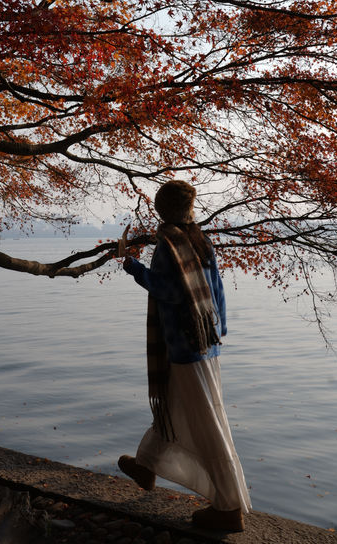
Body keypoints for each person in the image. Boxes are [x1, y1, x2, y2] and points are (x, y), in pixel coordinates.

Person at [119, 180, 251, 532]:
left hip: (182, 344)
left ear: (162, 210)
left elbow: (168, 291)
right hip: (206, 339)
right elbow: (217, 288)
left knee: (207, 424)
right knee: (175, 406)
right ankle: (147, 466)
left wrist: (134, 268)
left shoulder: (168, 244)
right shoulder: (199, 240)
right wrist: (217, 330)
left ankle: (228, 507)